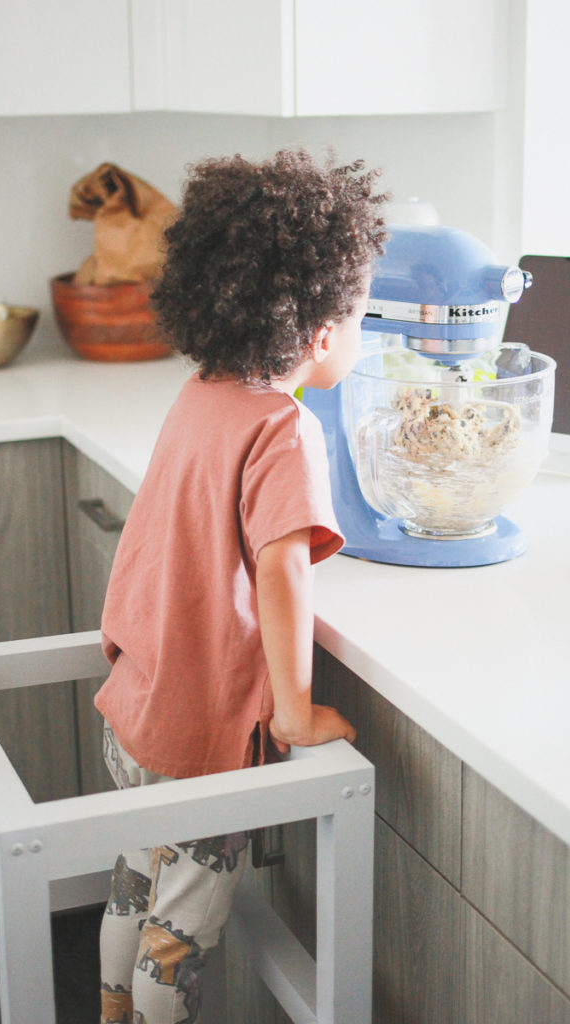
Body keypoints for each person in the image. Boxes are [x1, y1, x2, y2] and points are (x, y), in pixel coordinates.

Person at [94, 147, 388, 1024]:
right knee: (178, 935)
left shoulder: (200, 392)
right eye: (361, 313)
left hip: (137, 710)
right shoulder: (282, 428)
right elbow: (281, 570)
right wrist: (293, 710)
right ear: (319, 334)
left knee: (131, 888)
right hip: (198, 736)